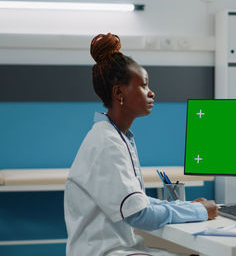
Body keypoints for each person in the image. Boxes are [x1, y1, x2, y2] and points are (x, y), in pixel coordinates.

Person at [64, 33, 219, 256]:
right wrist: (198, 211)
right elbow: (140, 215)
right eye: (143, 86)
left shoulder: (116, 136)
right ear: (119, 93)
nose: (151, 92)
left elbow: (139, 202)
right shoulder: (107, 143)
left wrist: (185, 207)